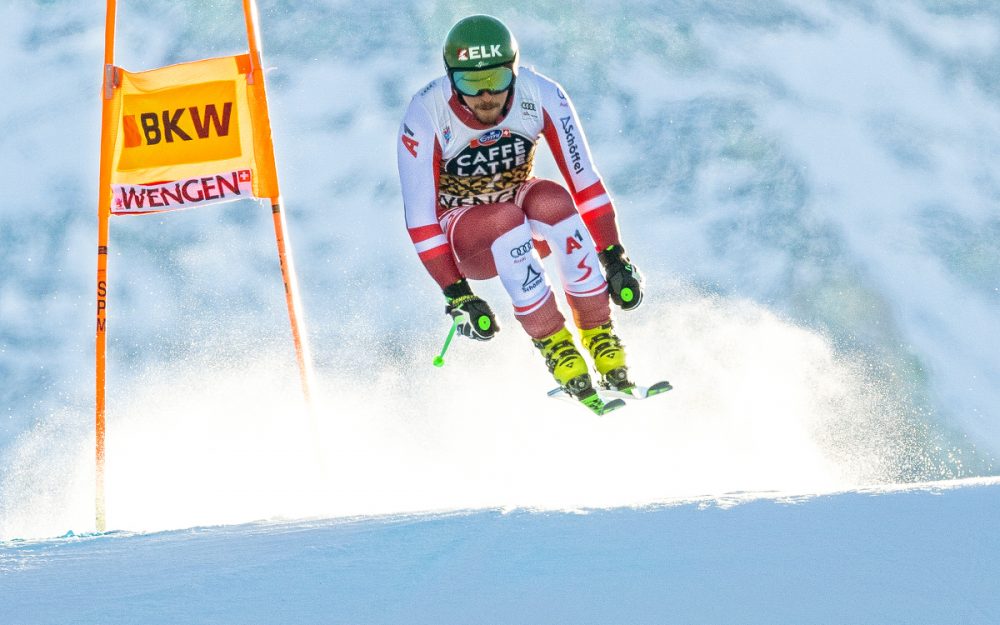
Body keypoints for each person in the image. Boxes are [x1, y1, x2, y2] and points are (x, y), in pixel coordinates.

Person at [396, 14, 645, 411]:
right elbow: (420, 220)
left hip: (520, 208)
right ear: (450, 78)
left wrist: (613, 254)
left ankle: (602, 339)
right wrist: (457, 292)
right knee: (505, 221)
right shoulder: (427, 112)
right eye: (469, 84)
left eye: (495, 80)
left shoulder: (541, 93)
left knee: (554, 199)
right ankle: (555, 346)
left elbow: (584, 180)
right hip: (467, 238)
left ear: (513, 70)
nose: (485, 97)